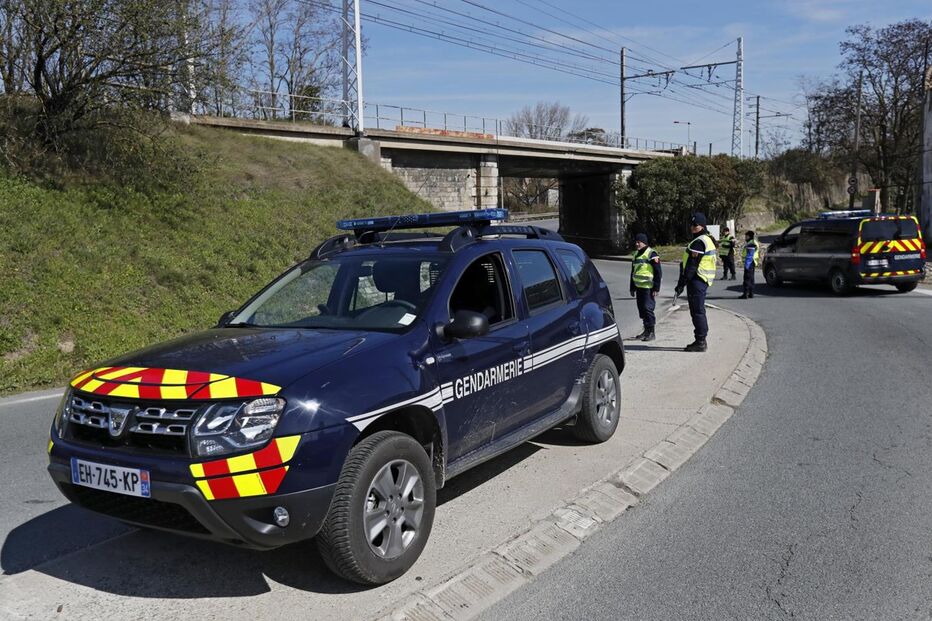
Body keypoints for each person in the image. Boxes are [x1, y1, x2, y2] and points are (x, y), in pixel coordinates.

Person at [674, 212, 717, 352]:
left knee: (697, 311)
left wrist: (682, 284)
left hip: (697, 280)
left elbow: (691, 266)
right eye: (691, 225)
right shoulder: (706, 239)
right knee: (698, 310)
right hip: (700, 280)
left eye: (695, 225)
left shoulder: (699, 242)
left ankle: (700, 341)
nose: (693, 227)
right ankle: (700, 339)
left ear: (702, 226)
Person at [629, 233, 662, 341]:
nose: (637, 244)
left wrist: (656, 288)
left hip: (648, 287)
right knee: (642, 310)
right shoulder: (636, 254)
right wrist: (632, 287)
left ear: (645, 242)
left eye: (639, 242)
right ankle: (646, 330)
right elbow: (633, 272)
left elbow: (658, 272)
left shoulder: (651, 254)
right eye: (636, 242)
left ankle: (651, 332)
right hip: (639, 287)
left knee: (648, 309)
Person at [740, 230, 760, 299]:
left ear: (749, 236)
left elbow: (749, 255)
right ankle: (751, 293)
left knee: (747, 278)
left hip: (750, 262)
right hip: (752, 262)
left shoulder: (751, 243)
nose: (745, 237)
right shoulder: (752, 242)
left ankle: (746, 294)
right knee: (751, 278)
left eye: (746, 236)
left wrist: (747, 265)